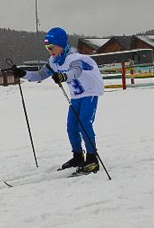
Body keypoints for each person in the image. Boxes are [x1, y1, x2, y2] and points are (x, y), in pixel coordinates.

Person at [11, 27, 105, 174]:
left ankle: (92, 160)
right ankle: (78, 156)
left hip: (89, 93)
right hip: (76, 96)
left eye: (52, 47)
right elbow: (41, 74)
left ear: (61, 44)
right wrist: (23, 73)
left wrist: (63, 77)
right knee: (71, 127)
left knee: (84, 124)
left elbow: (76, 71)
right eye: (47, 47)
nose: (49, 50)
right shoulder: (54, 61)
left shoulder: (74, 57)